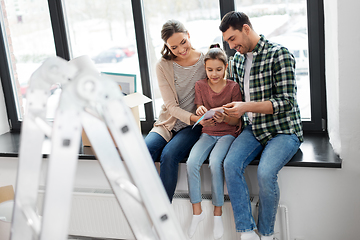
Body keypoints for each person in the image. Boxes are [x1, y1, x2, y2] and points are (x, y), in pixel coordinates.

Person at [219, 11, 303, 240]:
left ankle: (266, 234)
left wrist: (245, 107)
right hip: (254, 129)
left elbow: (286, 102)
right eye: (227, 41)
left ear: (246, 28)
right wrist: (223, 113)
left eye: (233, 39)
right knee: (230, 164)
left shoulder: (280, 54)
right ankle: (246, 231)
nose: (231, 45)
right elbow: (236, 103)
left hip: (283, 130)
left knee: (266, 173)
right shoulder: (236, 60)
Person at [144, 20, 206, 202]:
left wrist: (198, 119)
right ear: (166, 46)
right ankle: (150, 202)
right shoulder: (162, 65)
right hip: (168, 123)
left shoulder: (205, 60)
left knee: (169, 155)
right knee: (145, 152)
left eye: (183, 42)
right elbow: (171, 107)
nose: (181, 50)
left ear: (188, 35)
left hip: (193, 125)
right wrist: (195, 117)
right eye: (174, 47)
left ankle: (164, 209)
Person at [186, 44, 242, 240]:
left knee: (216, 164)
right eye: (210, 70)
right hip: (207, 132)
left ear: (226, 67)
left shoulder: (233, 87)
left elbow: (237, 120)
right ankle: (197, 211)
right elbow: (200, 109)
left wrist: (225, 118)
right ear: (205, 68)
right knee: (192, 162)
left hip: (227, 134)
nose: (214, 74)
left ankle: (217, 213)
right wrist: (201, 112)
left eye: (219, 69)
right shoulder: (200, 86)